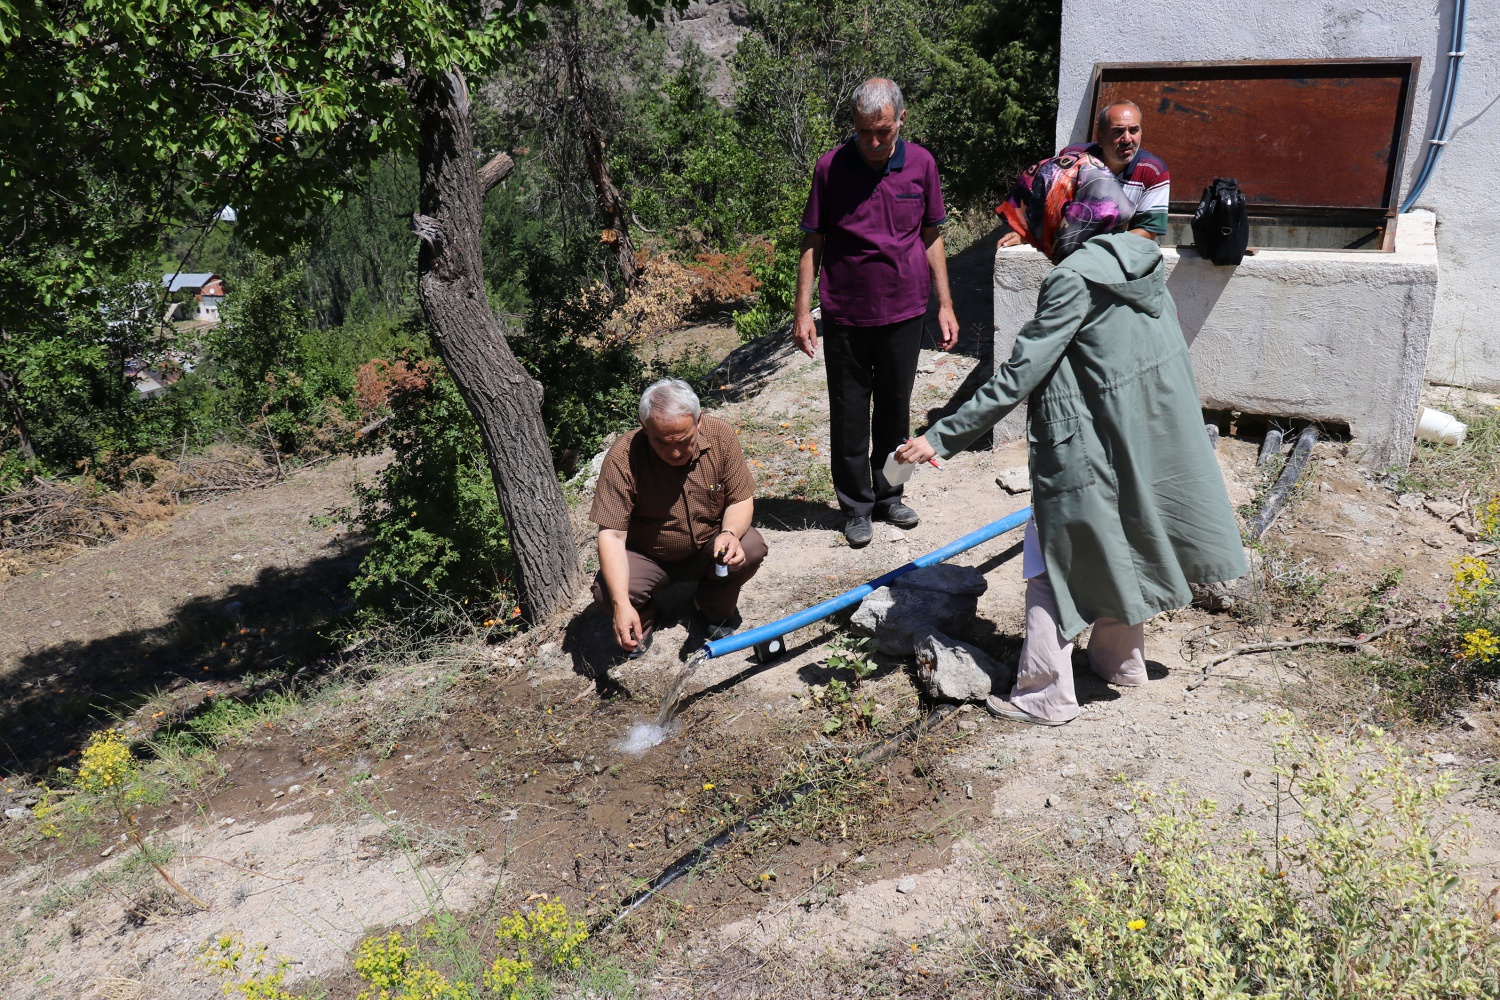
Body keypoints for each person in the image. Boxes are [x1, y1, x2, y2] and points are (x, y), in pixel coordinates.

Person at [897, 151, 1245, 726]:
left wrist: (942, 436)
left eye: (1032, 219)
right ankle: (1120, 660)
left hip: (1086, 433)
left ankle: (1045, 692)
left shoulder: (1071, 278)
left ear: (1061, 212)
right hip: (1141, 428)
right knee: (1120, 532)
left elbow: (1019, 374)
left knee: (1053, 548)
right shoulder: (1139, 255)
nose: (1029, 234)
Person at [794, 77, 960, 549]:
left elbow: (931, 236)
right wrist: (803, 310)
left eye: (882, 132)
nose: (872, 142)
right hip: (846, 313)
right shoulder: (830, 168)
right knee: (848, 414)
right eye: (864, 131)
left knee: (895, 407)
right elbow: (813, 241)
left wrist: (945, 304)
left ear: (900, 121)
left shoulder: (922, 164)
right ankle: (856, 506)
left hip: (905, 310)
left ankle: (890, 494)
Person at [589, 379, 767, 656]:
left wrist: (729, 533)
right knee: (606, 592)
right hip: (649, 554)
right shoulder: (623, 458)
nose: (674, 453)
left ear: (699, 420)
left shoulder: (720, 436)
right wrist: (621, 603)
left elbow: (740, 498)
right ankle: (643, 618)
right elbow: (611, 534)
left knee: (751, 547)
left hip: (709, 545)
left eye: (684, 441)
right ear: (644, 426)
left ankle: (709, 604)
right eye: (660, 442)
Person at [1000, 100, 1169, 248]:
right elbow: (1049, 209)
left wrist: (1094, 249)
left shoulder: (1154, 171)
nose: (1127, 139)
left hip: (1121, 257)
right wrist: (1028, 235)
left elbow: (1147, 232)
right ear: (1100, 138)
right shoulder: (1073, 158)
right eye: (1118, 132)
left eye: (1134, 130)